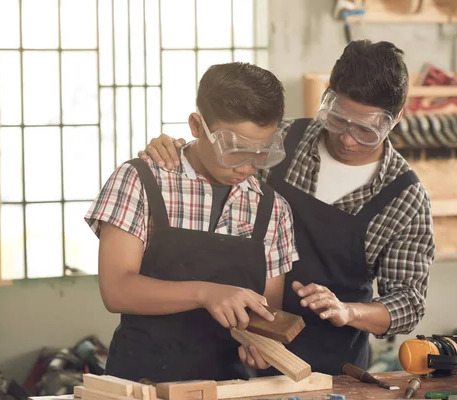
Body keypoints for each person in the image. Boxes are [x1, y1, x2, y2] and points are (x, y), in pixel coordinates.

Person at [137, 40, 436, 376]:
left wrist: (348, 311)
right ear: (328, 96)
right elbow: (216, 159)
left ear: (395, 119)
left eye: (367, 130)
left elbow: (409, 302)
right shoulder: (281, 140)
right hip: (236, 346)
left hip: (332, 368)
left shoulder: (404, 198)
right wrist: (175, 148)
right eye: (338, 119)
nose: (348, 139)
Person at [84, 62, 299, 383]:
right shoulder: (139, 180)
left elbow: (266, 312)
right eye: (235, 150)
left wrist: (262, 344)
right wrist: (206, 293)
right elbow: (116, 291)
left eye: (261, 152)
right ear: (197, 126)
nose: (248, 167)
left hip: (229, 386)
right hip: (141, 382)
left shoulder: (272, 208)